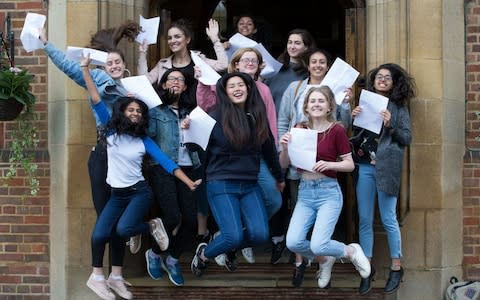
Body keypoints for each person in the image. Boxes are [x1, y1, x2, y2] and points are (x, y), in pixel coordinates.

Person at [81, 54, 201, 300]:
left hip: (139, 193)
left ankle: (148, 226)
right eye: (130, 110)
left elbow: (168, 163)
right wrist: (85, 70)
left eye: (138, 111)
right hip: (117, 195)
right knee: (100, 234)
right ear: (122, 112)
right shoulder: (110, 131)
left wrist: (188, 182)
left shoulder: (143, 139)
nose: (134, 113)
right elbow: (95, 100)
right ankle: (97, 276)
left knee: (124, 229)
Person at [39, 20, 144, 291]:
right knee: (105, 216)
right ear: (103, 67)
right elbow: (69, 67)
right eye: (109, 63)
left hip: (130, 159)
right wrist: (45, 43)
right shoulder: (99, 80)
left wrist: (142, 57)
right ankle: (98, 275)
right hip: (105, 156)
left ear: (124, 64)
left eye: (118, 62)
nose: (114, 66)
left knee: (121, 217)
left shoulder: (133, 86)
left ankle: (117, 275)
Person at [188, 72, 284, 277]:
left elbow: (268, 150)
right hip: (221, 183)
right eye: (232, 86)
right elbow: (196, 146)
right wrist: (188, 129)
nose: (237, 89)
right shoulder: (215, 116)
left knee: (259, 235)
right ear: (225, 91)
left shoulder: (258, 117)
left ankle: (228, 247)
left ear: (249, 89)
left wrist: (279, 177)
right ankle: (205, 254)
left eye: (241, 84)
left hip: (249, 184)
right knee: (232, 237)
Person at [279, 86, 371, 289]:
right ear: (306, 106)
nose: (316, 104)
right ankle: (325, 259)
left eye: (321, 101)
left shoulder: (336, 129)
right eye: (312, 101)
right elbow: (284, 164)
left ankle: (351, 251)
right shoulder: (299, 128)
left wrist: (330, 164)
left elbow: (349, 164)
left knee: (319, 243)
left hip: (328, 192)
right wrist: (285, 148)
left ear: (330, 106)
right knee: (293, 242)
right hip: (305, 191)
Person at [276, 48, 353, 286]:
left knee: (319, 237)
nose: (318, 65)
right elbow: (282, 121)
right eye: (314, 62)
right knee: (296, 229)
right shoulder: (296, 91)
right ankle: (307, 262)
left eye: (323, 62)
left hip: (328, 183)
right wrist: (285, 145)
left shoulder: (334, 102)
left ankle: (331, 255)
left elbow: (344, 126)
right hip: (301, 174)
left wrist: (348, 105)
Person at [351, 63, 415, 295]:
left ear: (394, 82)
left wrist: (391, 124)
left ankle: (396, 267)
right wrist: (353, 117)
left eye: (388, 77)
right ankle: (367, 268)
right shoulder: (365, 102)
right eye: (379, 76)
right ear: (373, 80)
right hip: (365, 167)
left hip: (386, 168)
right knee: (365, 218)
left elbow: (406, 138)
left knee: (389, 218)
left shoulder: (399, 108)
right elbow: (356, 137)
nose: (383, 80)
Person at [144, 68, 207, 286]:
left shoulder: (192, 111)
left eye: (180, 79)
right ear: (163, 85)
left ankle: (172, 258)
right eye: (171, 78)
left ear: (186, 86)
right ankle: (153, 252)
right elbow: (148, 137)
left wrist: (190, 129)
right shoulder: (155, 110)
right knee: (171, 217)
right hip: (162, 167)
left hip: (189, 167)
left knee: (190, 220)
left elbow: (202, 140)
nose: (176, 82)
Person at [263, 28, 315, 265]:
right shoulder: (274, 70)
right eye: (290, 41)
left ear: (306, 47)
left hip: (296, 141)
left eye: (298, 43)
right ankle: (277, 239)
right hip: (271, 136)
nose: (293, 46)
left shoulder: (308, 75)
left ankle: (300, 246)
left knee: (296, 195)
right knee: (276, 191)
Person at [137, 18, 228, 86]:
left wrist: (215, 40)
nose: (172, 41)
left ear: (187, 39)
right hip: (170, 110)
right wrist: (142, 53)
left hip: (195, 110)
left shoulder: (199, 60)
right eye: (169, 38)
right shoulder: (163, 64)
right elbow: (144, 82)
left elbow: (223, 65)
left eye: (177, 36)